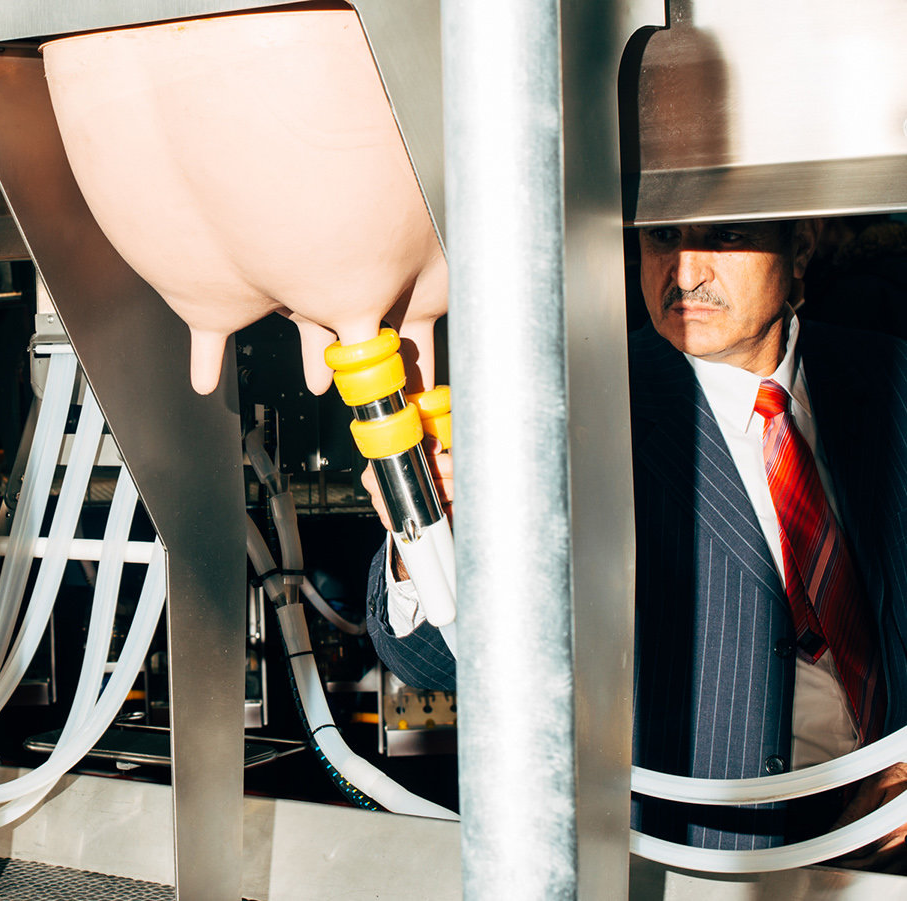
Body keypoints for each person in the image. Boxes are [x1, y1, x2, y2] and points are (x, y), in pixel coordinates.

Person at [365, 219, 907, 860]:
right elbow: (438, 663)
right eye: (662, 238)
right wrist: (429, 542)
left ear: (801, 248)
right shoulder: (573, 410)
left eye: (726, 237)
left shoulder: (889, 378)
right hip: (702, 861)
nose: (685, 273)